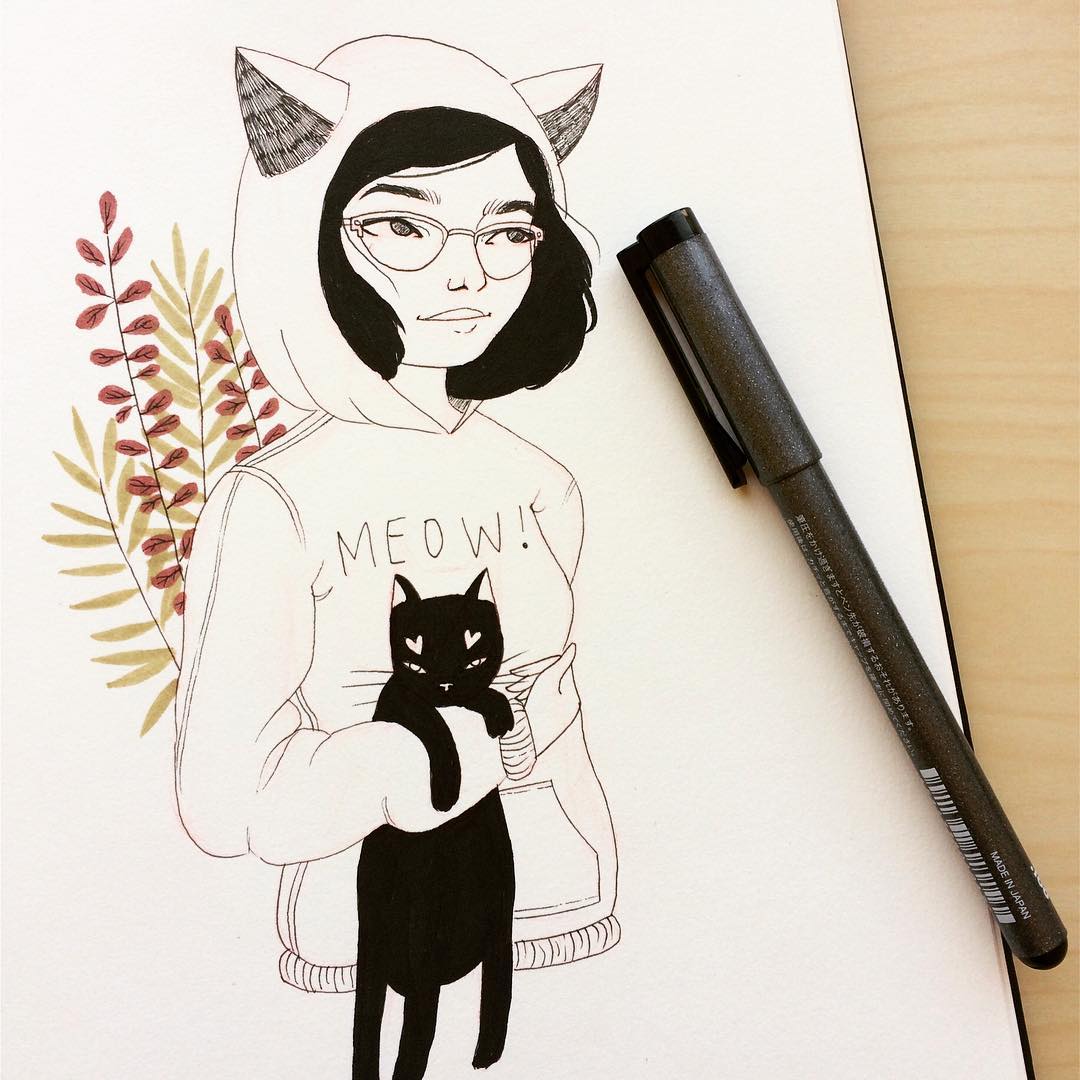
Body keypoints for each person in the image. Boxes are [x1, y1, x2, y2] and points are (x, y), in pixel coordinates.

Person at [174, 35, 619, 996]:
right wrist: (399, 763)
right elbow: (223, 801)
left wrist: (587, 841)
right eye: (404, 228)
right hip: (370, 932)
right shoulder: (276, 500)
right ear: (309, 232)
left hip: (564, 904)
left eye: (508, 232)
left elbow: (562, 713)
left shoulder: (541, 483)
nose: (469, 277)